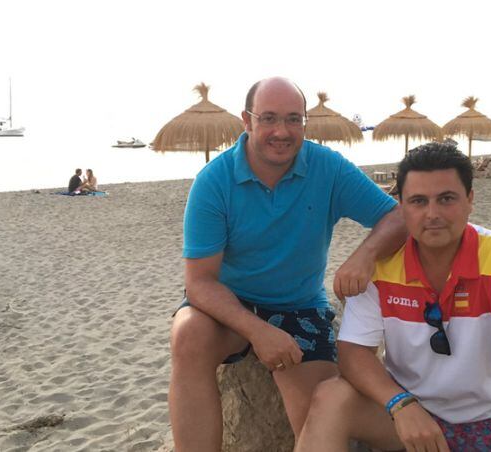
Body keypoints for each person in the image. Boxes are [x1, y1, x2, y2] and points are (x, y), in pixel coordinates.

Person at [169, 77, 407, 451]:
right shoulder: (214, 182)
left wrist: (365, 255)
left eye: (294, 119)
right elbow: (199, 283)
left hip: (300, 306)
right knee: (188, 335)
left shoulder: (326, 167)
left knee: (317, 417)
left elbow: (396, 217)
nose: (282, 131)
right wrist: (257, 331)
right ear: (246, 121)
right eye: (269, 118)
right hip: (230, 305)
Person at [296, 143, 491, 452]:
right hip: (406, 413)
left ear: (470, 200)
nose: (432, 214)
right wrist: (400, 403)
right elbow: (353, 353)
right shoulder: (380, 265)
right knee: (330, 397)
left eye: (446, 199)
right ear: (401, 207)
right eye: (418, 201)